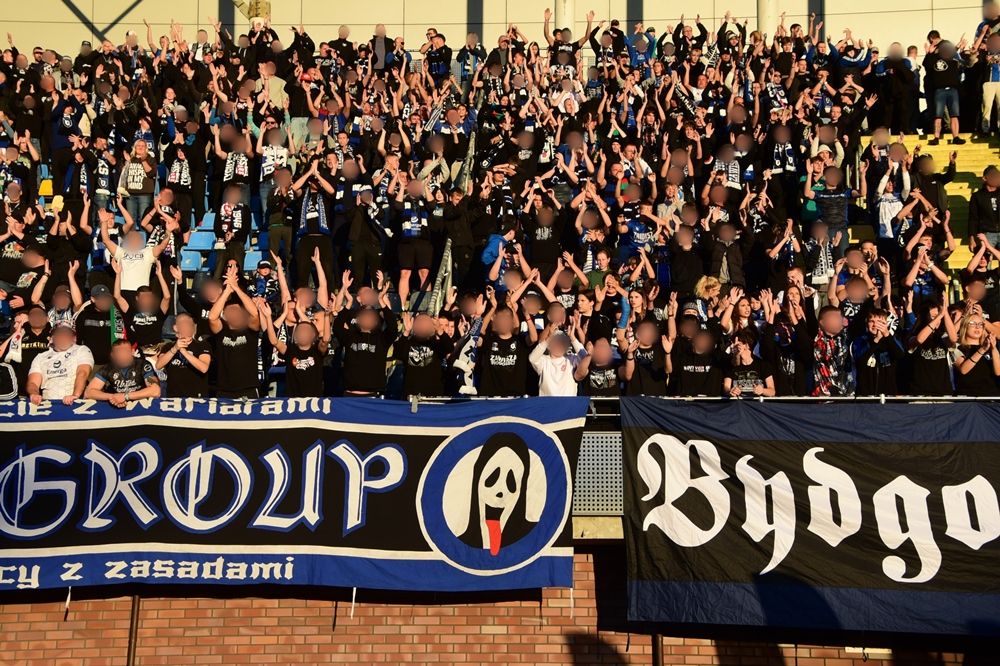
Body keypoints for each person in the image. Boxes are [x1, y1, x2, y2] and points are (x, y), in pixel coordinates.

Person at [207, 268, 262, 399]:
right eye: (230, 311)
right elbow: (212, 317)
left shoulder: (250, 330)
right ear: (225, 315)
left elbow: (254, 313)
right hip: (224, 389)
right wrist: (227, 291)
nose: (234, 314)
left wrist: (236, 288)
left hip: (248, 388)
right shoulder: (221, 331)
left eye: (236, 311)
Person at [25, 321, 93, 404]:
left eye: (67, 334)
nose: (63, 336)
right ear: (53, 337)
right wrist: (34, 394)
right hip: (48, 404)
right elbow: (33, 382)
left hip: (74, 402)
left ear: (73, 337)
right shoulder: (41, 357)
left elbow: (82, 373)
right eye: (59, 333)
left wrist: (75, 395)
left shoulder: (81, 350)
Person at [85, 338, 161, 406]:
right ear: (112, 355)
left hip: (139, 405)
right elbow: (89, 392)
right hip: (114, 405)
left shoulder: (143, 365)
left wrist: (125, 396)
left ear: (132, 352)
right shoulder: (107, 368)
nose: (122, 356)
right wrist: (113, 397)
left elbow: (155, 390)